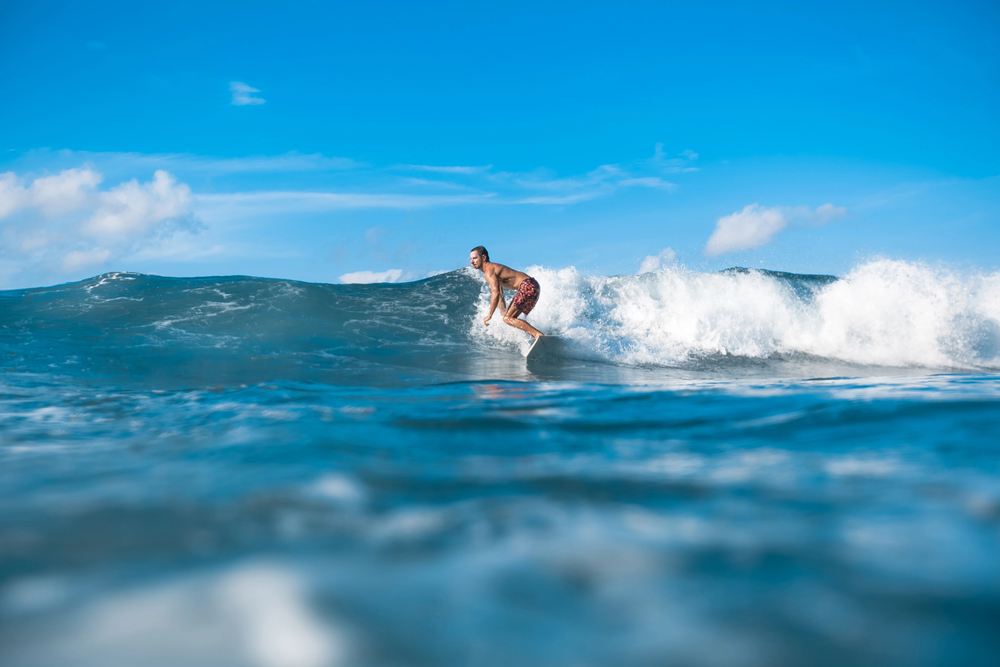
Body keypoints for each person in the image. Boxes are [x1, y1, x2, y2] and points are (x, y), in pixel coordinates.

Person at [469, 245, 545, 340]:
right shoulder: (493, 269)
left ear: (483, 257)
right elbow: (500, 295)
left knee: (508, 318)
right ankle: (537, 336)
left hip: (527, 285)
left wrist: (489, 315)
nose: (471, 262)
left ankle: (538, 335)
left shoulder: (488, 271)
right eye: (471, 259)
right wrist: (503, 313)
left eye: (475, 258)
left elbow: (495, 293)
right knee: (508, 318)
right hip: (533, 285)